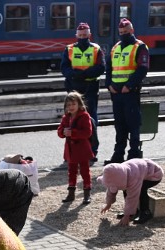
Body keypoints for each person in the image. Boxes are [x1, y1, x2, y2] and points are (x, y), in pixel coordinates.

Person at [105, 18, 149, 164]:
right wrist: (108, 84)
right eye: (121, 32)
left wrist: (129, 85)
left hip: (130, 92)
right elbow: (109, 68)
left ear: (132, 30)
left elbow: (143, 69)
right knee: (120, 125)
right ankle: (118, 155)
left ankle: (134, 154)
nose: (123, 34)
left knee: (133, 124)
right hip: (116, 93)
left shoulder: (140, 47)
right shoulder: (115, 47)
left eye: (126, 32)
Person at [60, 22, 104, 162]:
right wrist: (76, 75)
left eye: (85, 35)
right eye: (80, 36)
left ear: (89, 35)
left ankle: (92, 151)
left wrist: (83, 74)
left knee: (91, 120)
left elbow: (100, 68)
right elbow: (64, 69)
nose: (82, 38)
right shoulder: (69, 49)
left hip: (90, 88)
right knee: (71, 120)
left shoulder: (96, 49)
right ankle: (71, 153)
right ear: (76, 36)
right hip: (73, 89)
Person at [98, 157, 163, 226]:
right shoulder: (117, 172)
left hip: (154, 175)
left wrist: (127, 215)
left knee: (140, 190)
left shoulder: (133, 177)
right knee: (125, 189)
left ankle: (146, 212)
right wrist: (109, 203)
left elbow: (132, 197)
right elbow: (111, 187)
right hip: (140, 172)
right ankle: (133, 212)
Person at [57, 92, 94, 205]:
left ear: (79, 104)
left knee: (85, 171)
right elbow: (60, 131)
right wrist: (63, 132)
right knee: (71, 171)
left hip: (82, 148)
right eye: (68, 105)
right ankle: (71, 193)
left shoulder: (84, 116)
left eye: (73, 104)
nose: (71, 107)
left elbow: (87, 132)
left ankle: (87, 193)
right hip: (70, 149)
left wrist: (72, 132)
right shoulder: (66, 117)